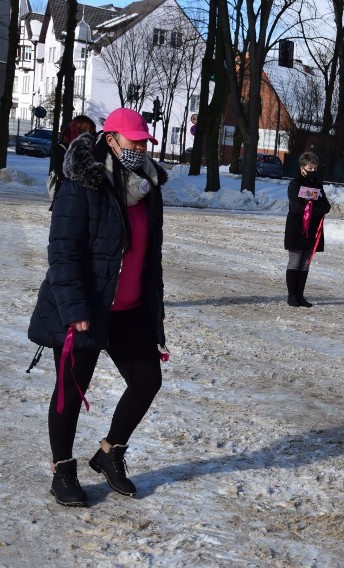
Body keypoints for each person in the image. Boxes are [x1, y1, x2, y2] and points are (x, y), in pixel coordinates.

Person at [29, 108, 169, 507]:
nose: (140, 149)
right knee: (70, 393)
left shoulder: (147, 187)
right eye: (134, 142)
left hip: (129, 310)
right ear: (111, 140)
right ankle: (63, 469)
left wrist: (153, 313)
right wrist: (74, 309)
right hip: (85, 309)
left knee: (147, 382)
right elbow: (63, 253)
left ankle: (110, 453)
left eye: (145, 143)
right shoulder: (82, 184)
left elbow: (149, 258)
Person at [285, 151, 330, 307]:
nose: (313, 170)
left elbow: (326, 206)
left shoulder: (318, 184)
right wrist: (313, 208)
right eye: (310, 167)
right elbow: (296, 207)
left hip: (313, 230)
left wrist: (313, 208)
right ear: (302, 168)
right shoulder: (295, 184)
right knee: (295, 262)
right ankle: (292, 296)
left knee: (305, 263)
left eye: (315, 167)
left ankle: (300, 296)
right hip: (297, 228)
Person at [48, 115, 96, 204]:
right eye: (86, 131)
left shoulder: (92, 148)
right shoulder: (61, 148)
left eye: (92, 132)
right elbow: (63, 174)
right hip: (67, 197)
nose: (89, 135)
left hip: (88, 198)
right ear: (77, 131)